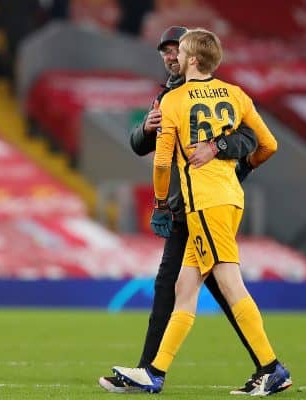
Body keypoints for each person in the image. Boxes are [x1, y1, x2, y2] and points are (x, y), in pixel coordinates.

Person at [111, 28, 292, 396]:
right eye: (165, 52)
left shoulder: (176, 100)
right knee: (182, 287)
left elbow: (162, 164)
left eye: (176, 50)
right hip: (216, 200)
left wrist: (161, 202)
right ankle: (154, 372)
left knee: (228, 285)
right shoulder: (233, 94)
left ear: (191, 57)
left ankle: (271, 368)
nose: (170, 57)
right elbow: (266, 142)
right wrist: (240, 170)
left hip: (203, 204)